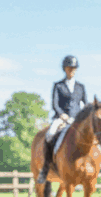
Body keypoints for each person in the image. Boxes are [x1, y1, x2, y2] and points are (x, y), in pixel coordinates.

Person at [36, 55, 87, 184]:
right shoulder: (58, 86)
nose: (71, 70)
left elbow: (85, 104)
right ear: (65, 69)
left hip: (76, 120)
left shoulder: (80, 87)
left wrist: (82, 118)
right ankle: (45, 168)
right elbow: (55, 104)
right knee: (49, 134)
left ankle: (87, 166)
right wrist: (61, 115)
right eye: (69, 68)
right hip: (61, 118)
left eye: (74, 68)